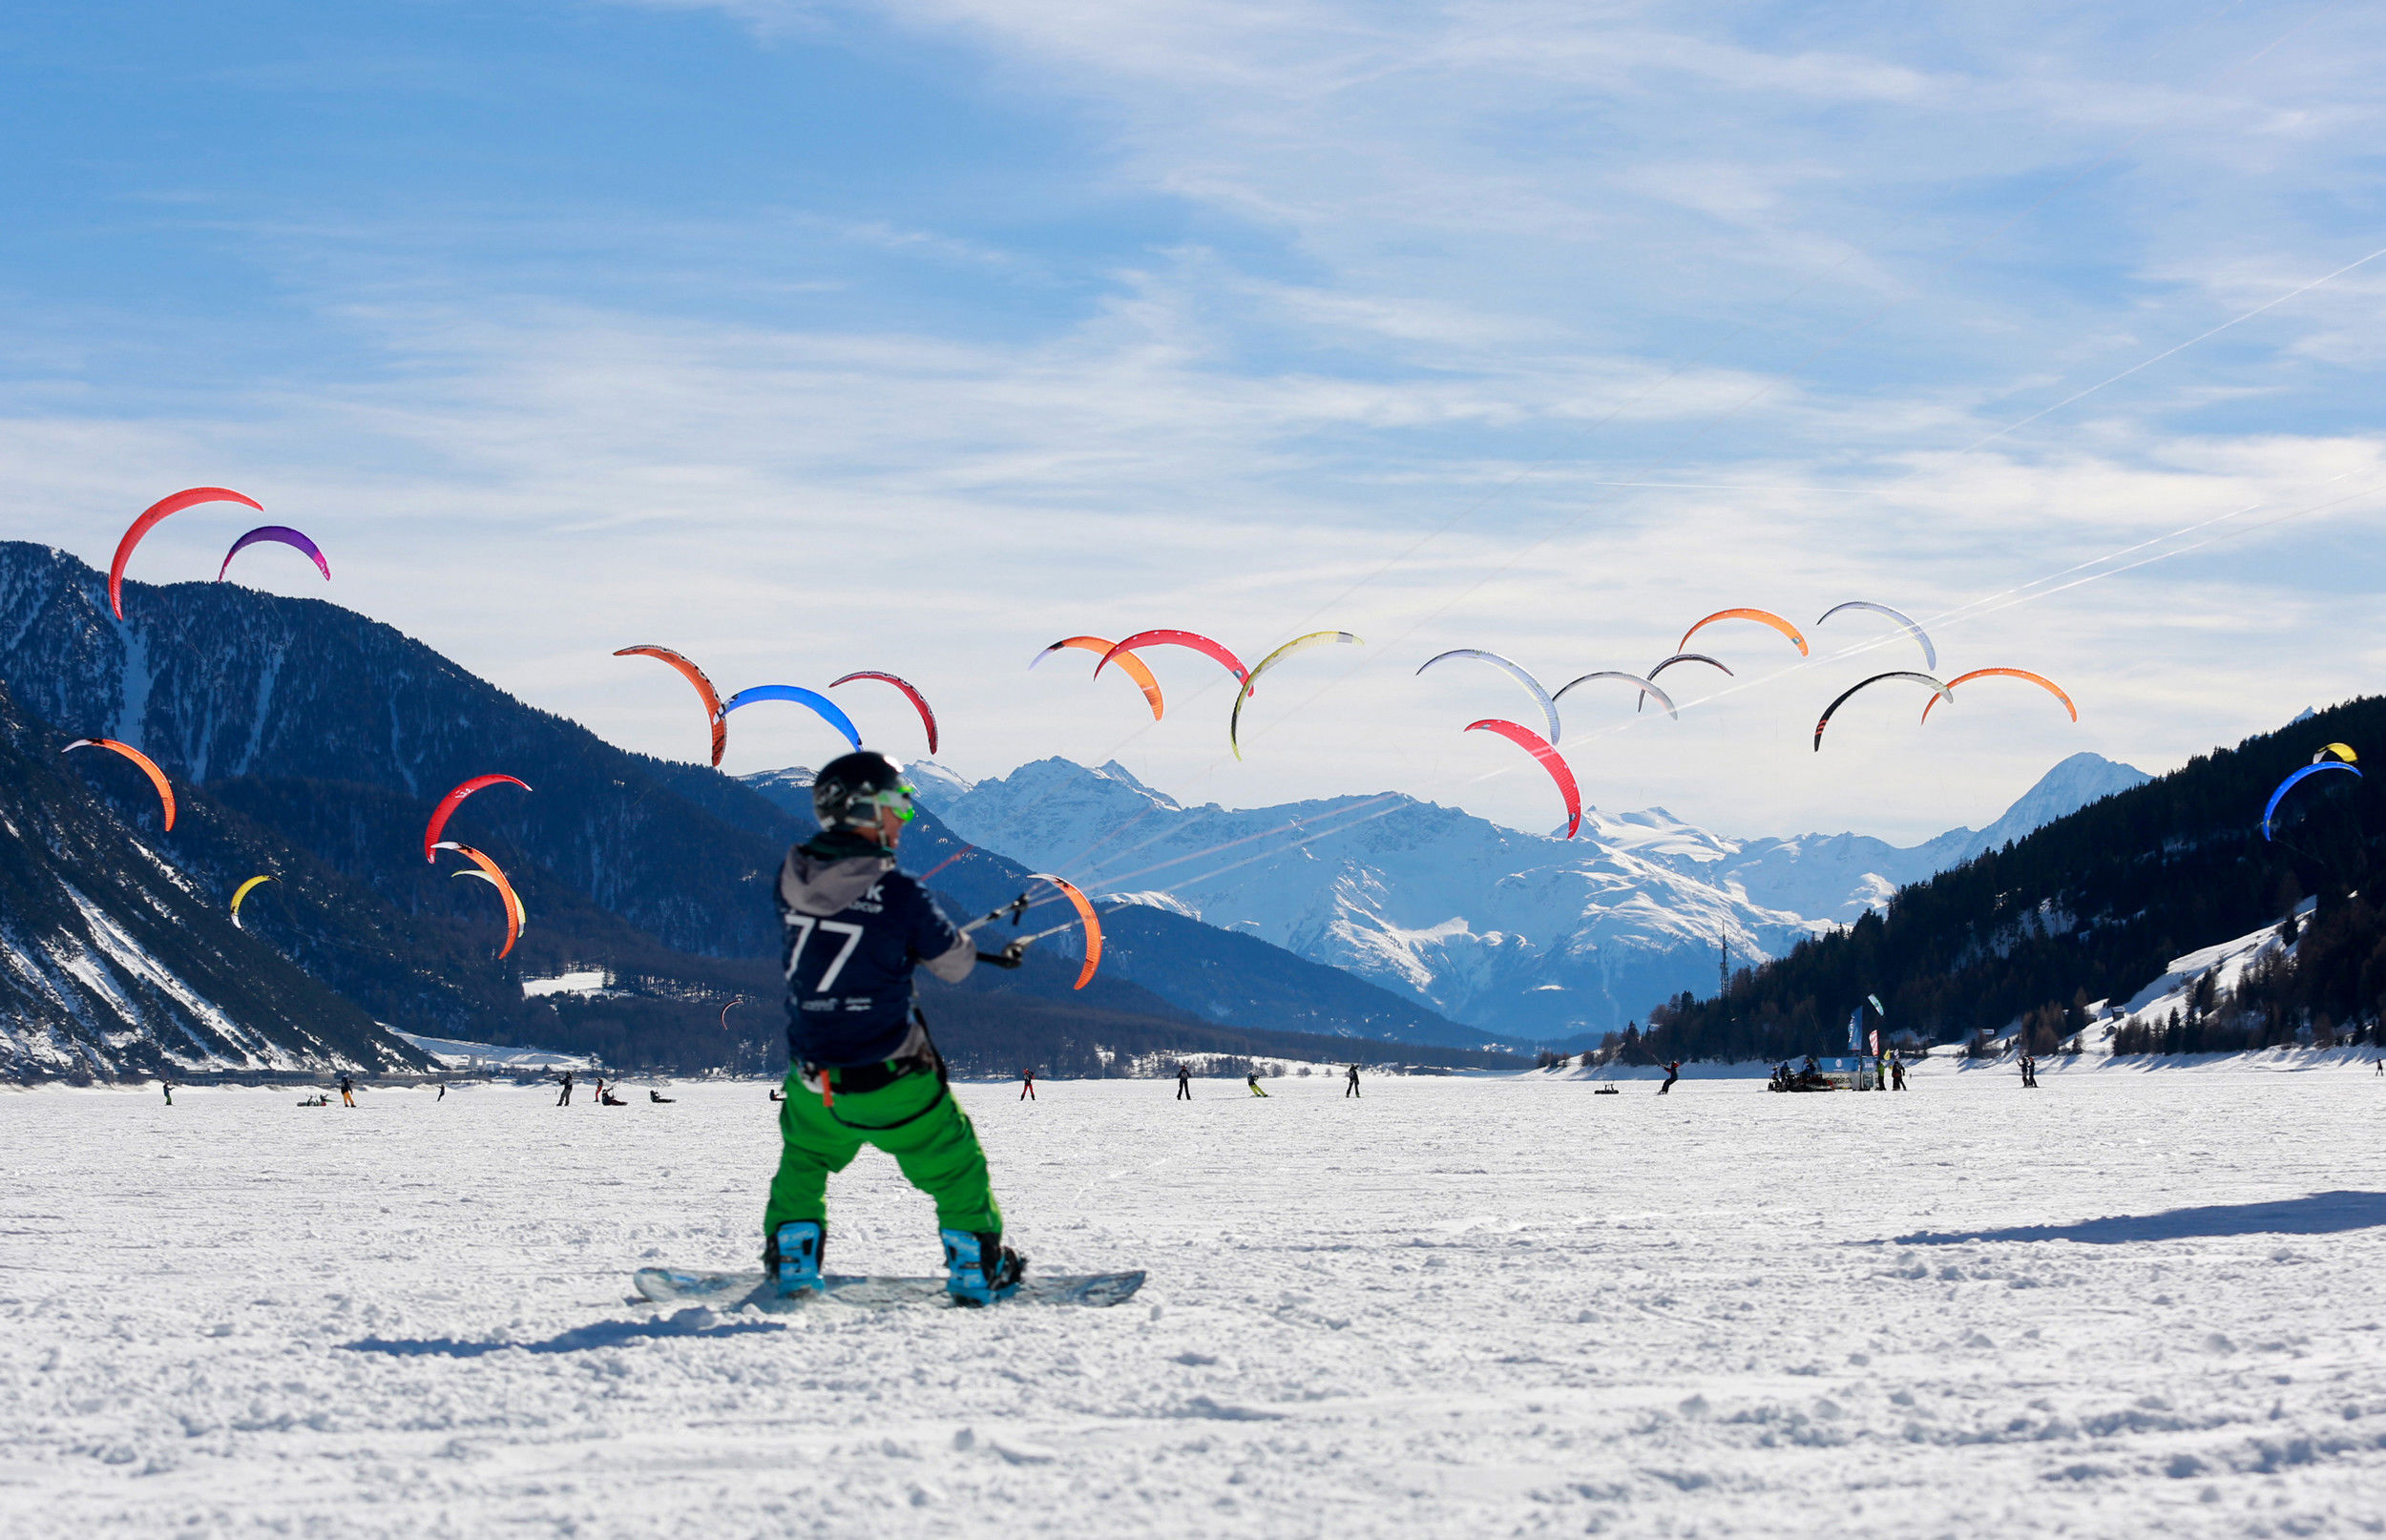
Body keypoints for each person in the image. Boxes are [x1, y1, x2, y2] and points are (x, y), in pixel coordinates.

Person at [762, 751, 1028, 1305]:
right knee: (955, 1165)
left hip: (813, 1079)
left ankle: (791, 1263)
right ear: (864, 809)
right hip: (891, 1076)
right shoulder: (901, 892)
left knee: (804, 1161)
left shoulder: (792, 878)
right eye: (898, 805)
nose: (905, 819)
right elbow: (953, 966)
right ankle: (976, 1269)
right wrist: (937, 940)